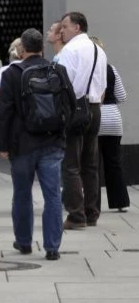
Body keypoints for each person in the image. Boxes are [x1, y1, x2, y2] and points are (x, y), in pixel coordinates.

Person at [0, 28, 70, 261]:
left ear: (21, 49)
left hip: (22, 144)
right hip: (52, 142)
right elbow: (68, 105)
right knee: (53, 195)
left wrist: (3, 144)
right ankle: (52, 246)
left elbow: (5, 112)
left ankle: (24, 242)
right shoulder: (57, 71)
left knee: (22, 193)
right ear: (42, 48)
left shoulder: (12, 73)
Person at [57, 11, 108, 229]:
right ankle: (92, 212)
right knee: (90, 164)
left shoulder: (71, 49)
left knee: (71, 164)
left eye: (65, 26)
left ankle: (76, 215)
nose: (62, 30)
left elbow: (64, 83)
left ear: (77, 27)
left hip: (76, 107)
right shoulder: (99, 50)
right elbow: (103, 84)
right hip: (95, 107)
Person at [91, 36, 129, 212]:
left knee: (93, 163)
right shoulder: (111, 69)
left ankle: (94, 203)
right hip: (113, 119)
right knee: (114, 162)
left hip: (95, 119)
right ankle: (120, 201)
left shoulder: (88, 70)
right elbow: (122, 96)